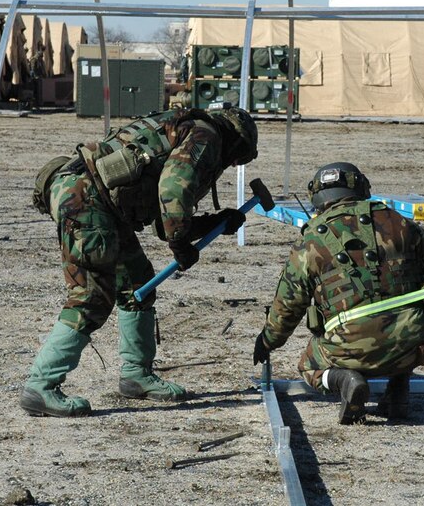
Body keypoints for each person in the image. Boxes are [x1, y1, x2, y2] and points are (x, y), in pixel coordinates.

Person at [21, 105, 258, 417]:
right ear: (236, 142)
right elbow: (173, 192)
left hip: (95, 200)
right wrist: (180, 243)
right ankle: (41, 386)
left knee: (138, 285)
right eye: (238, 159)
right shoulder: (206, 137)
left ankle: (136, 375)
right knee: (91, 296)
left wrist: (213, 223)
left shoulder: (188, 128)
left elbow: (165, 217)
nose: (232, 165)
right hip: (86, 200)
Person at [253, 163, 424, 424]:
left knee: (309, 367)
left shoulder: (310, 242)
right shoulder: (397, 221)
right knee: (404, 320)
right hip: (414, 345)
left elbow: (288, 307)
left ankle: (346, 380)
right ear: (360, 186)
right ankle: (398, 395)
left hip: (348, 348)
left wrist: (268, 341)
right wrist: (421, 295)